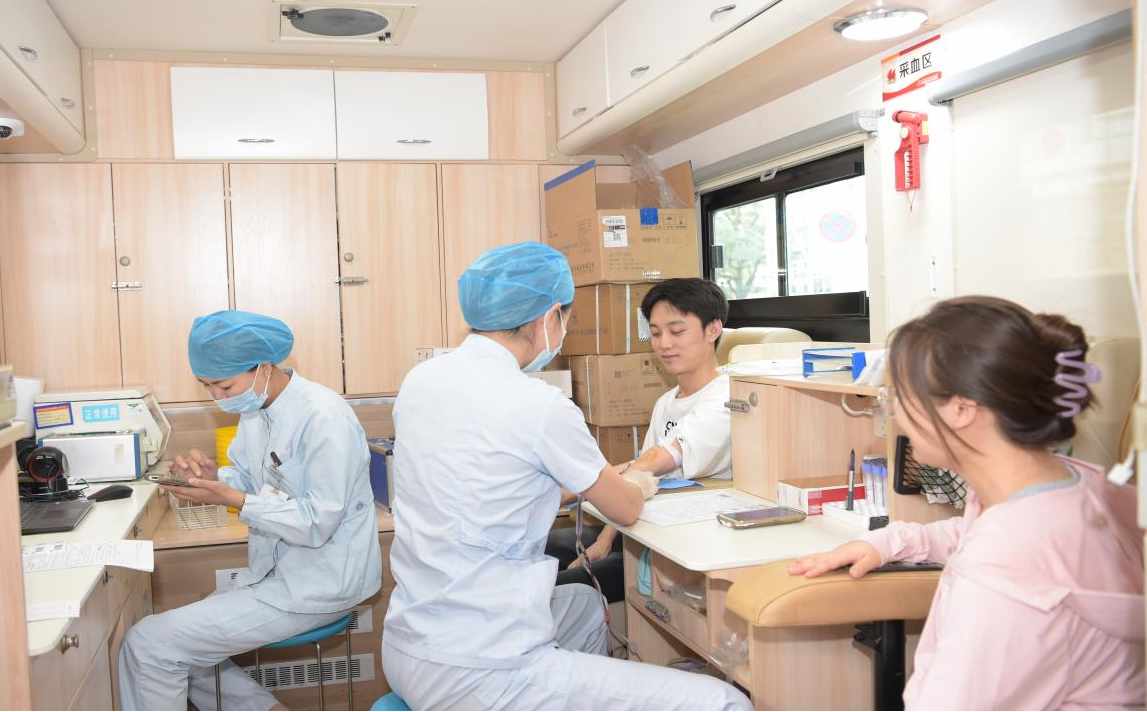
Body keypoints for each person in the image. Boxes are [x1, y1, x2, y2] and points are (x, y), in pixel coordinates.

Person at [382, 242, 752, 710]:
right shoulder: (539, 404)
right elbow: (626, 507)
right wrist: (636, 483)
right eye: (566, 318)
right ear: (549, 316)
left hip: (409, 645)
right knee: (725, 701)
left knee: (583, 606)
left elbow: (484, 486)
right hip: (484, 667)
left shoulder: (422, 380)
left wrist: (590, 486)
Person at [790, 296, 1144, 710]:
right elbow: (974, 531)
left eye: (900, 396)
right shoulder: (1066, 484)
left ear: (961, 409)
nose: (895, 413)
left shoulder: (1003, 570)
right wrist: (891, 541)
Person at [119, 310, 381, 710]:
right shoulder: (256, 411)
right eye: (207, 386)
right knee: (171, 643)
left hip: (320, 583)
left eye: (224, 385)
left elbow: (316, 522)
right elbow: (249, 478)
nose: (217, 397)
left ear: (264, 367)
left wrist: (234, 499)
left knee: (150, 645)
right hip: (277, 574)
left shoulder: (324, 416)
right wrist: (212, 478)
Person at [547, 278, 733, 602]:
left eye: (677, 331)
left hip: (691, 538)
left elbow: (659, 459)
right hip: (646, 527)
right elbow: (637, 476)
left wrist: (576, 488)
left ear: (713, 329)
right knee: (546, 547)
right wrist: (605, 541)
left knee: (557, 588)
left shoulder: (727, 395)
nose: (664, 344)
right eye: (656, 333)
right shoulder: (666, 402)